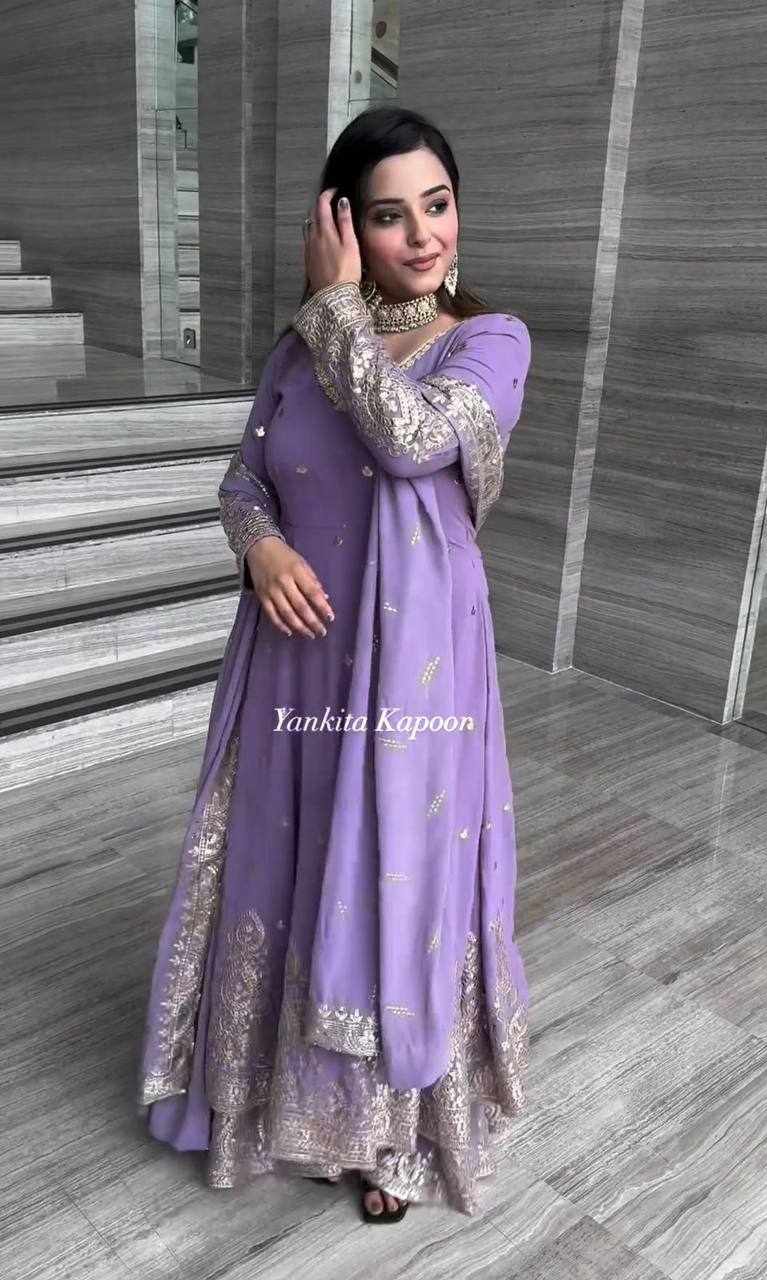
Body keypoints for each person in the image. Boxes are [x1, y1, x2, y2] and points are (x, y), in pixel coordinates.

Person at [136, 105, 532, 1225]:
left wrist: (334, 309)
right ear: (343, 226)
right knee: (293, 862)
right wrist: (259, 547)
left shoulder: (490, 342)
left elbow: (408, 440)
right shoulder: (299, 352)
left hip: (413, 675)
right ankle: (281, 1103)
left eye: (436, 206)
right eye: (389, 215)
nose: (423, 235)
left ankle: (394, 1134)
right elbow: (241, 482)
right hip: (294, 659)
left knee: (399, 875)